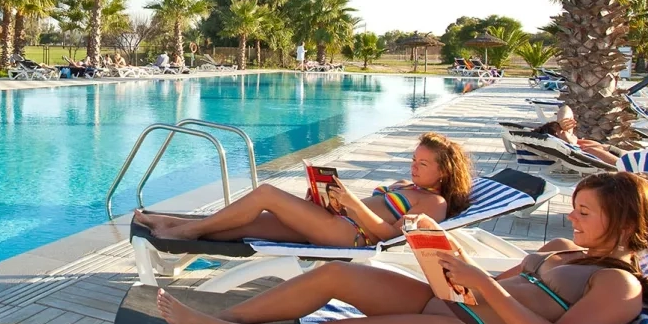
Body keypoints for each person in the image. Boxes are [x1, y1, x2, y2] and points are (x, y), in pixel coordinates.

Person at [156, 171, 648, 324]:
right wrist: (441, 246)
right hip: (454, 303)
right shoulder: (566, 248)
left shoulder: (619, 285)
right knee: (334, 277)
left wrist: (480, 288)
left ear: (625, 222)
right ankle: (236, 316)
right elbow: (488, 278)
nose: (571, 216)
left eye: (585, 212)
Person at [134, 132, 472, 247]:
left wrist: (352, 204)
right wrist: (328, 198)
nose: (413, 166)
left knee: (266, 193)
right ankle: (171, 223)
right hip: (336, 220)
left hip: (352, 236)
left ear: (444, 171)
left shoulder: (435, 204)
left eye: (422, 164)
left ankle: (185, 232)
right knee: (251, 224)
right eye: (414, 159)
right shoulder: (407, 185)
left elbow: (388, 236)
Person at [533, 104, 621, 165]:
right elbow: (624, 166)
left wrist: (561, 120)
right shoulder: (588, 151)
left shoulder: (579, 144)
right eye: (568, 131)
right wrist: (568, 141)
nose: (572, 130)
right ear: (559, 134)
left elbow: (566, 108)